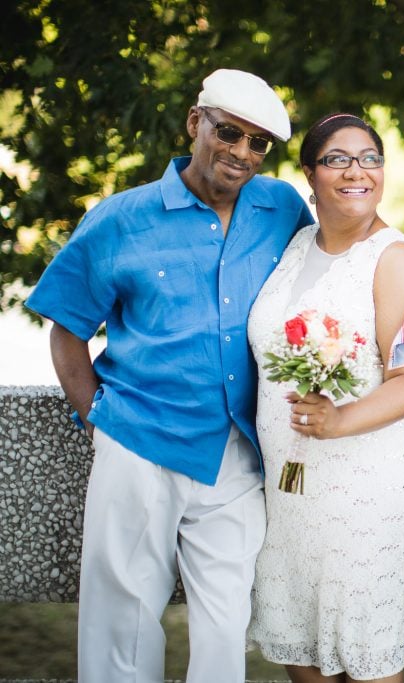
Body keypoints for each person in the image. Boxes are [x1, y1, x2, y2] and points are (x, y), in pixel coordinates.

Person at [24, 69, 313, 682]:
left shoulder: (282, 206)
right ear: (195, 123)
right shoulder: (120, 219)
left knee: (227, 621)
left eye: (258, 143)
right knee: (121, 618)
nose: (241, 152)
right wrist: (98, 418)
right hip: (140, 440)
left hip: (237, 453)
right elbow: (67, 328)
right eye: (229, 132)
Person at [246, 113, 404, 683]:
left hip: (368, 484)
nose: (357, 171)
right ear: (309, 173)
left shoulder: (396, 261)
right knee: (300, 649)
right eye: (337, 159)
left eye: (370, 159)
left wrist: (339, 420)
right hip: (291, 484)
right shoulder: (299, 244)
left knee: (362, 650)